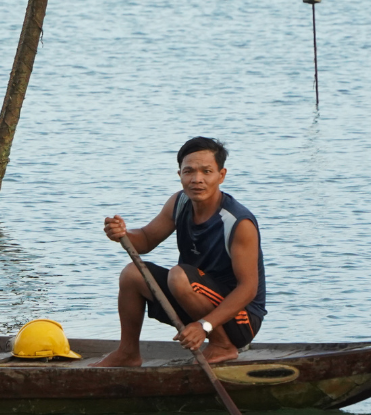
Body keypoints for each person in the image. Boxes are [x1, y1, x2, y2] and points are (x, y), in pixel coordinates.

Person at [94, 136, 266, 366]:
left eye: (206, 172)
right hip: (192, 299)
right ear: (180, 175)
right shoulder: (180, 202)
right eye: (189, 172)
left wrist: (205, 325)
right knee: (131, 274)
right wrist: (122, 234)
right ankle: (128, 353)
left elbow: (248, 289)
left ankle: (222, 345)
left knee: (179, 276)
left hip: (240, 319)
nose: (197, 179)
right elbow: (145, 240)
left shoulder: (237, 222)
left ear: (221, 176)